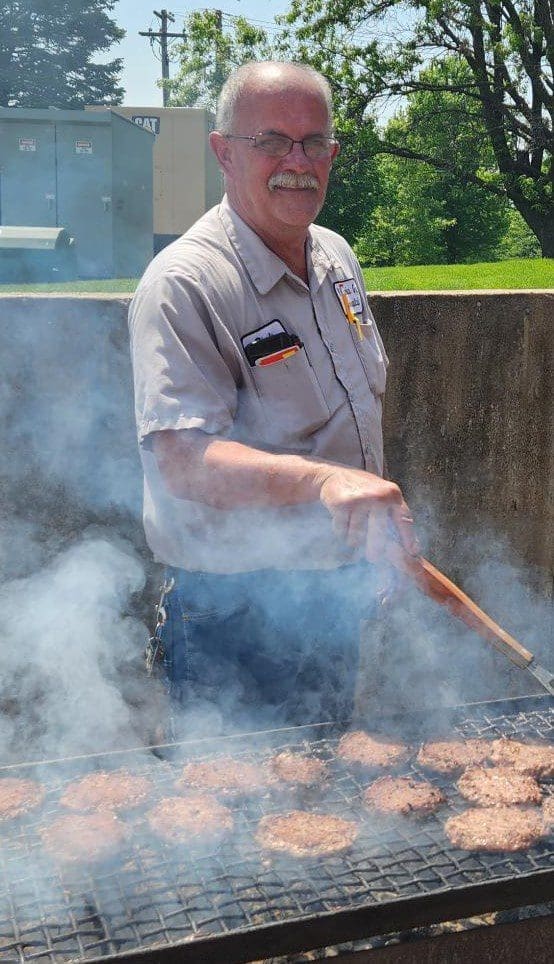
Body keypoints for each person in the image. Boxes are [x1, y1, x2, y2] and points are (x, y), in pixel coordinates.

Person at [128, 61, 417, 736]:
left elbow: (349, 417)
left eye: (314, 142)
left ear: (334, 156)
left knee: (325, 794)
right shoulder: (184, 284)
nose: (298, 161)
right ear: (223, 151)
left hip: (329, 591)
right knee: (233, 821)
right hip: (231, 612)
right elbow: (180, 461)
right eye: (272, 141)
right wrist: (326, 482)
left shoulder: (337, 258)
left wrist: (363, 533)